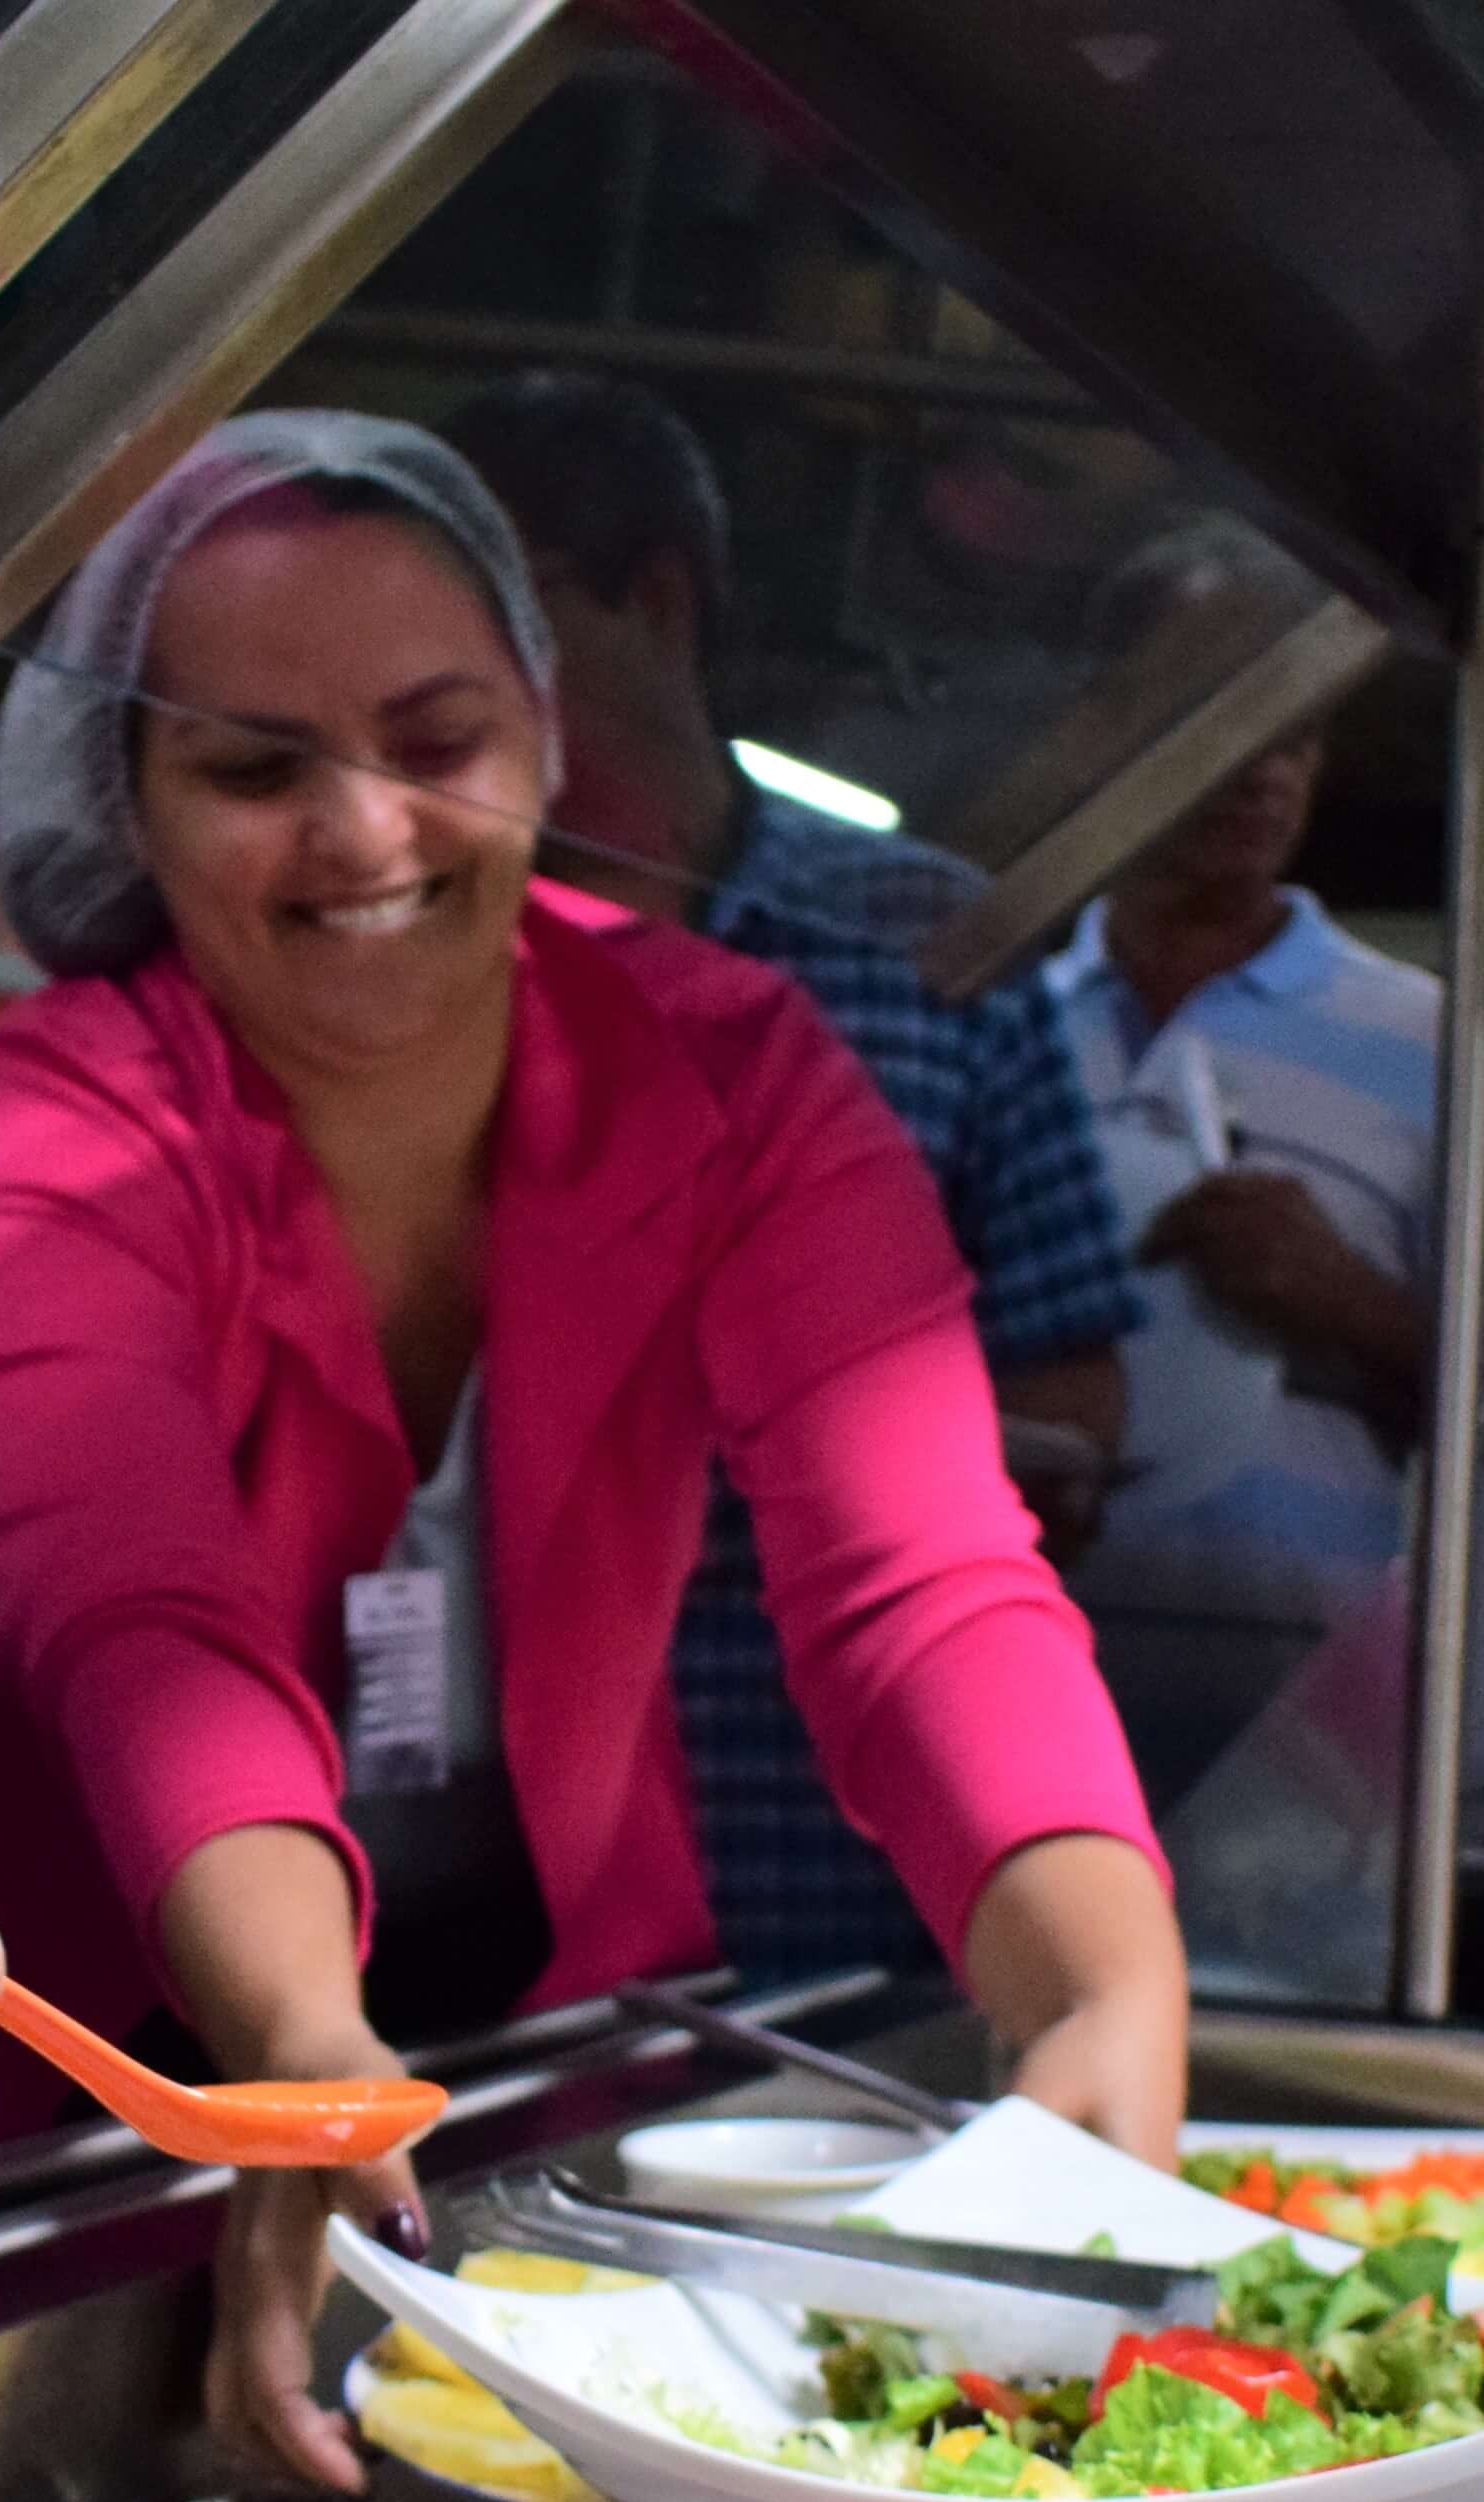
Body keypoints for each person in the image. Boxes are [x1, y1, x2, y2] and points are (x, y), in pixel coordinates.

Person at [0, 414, 1185, 2489]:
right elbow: (141, 1628)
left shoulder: (736, 1069)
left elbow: (914, 1572)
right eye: (251, 768)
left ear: (540, 734)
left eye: (432, 736)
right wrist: (291, 2054)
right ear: (127, 810)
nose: (362, 831)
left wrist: (1096, 1974)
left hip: (520, 2025)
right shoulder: (35, 1127)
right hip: (52, 2057)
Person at [435, 372, 1135, 1989]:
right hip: (467, 1903)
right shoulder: (397, 953)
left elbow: (1076, 1419)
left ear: (654, 595)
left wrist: (843, 1440)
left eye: (489, 593)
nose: (429, 652)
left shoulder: (914, 942)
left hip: (825, 1874)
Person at [1042, 525, 1445, 1809]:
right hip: (1017, 1678)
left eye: (1298, 726)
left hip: (1312, 1719)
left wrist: (1351, 1306)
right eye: (1224, 712)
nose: (1264, 768)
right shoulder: (989, 1021)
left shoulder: (1431, 1040)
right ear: (1107, 718)